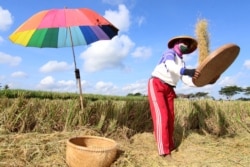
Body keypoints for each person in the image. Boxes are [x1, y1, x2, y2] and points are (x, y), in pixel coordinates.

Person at [147, 35, 200, 158]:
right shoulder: (169, 53)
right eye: (184, 42)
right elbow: (171, 67)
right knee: (162, 117)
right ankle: (164, 152)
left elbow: (186, 80)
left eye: (187, 43)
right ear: (177, 43)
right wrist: (186, 71)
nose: (186, 45)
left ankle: (169, 145)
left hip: (170, 89)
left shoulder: (182, 61)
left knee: (170, 118)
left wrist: (200, 82)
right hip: (157, 84)